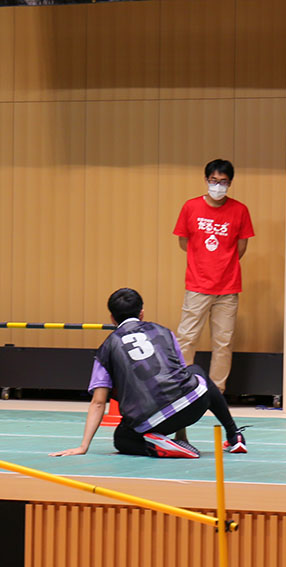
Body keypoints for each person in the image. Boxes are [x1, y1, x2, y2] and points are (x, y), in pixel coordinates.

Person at [50, 288, 248, 459]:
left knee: (122, 439)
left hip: (151, 421)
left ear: (111, 318)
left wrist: (83, 446)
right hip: (193, 406)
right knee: (195, 372)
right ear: (142, 313)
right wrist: (182, 434)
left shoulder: (106, 348)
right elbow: (180, 376)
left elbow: (99, 402)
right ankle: (234, 435)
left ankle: (158, 446)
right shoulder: (164, 331)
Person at [173, 159, 254, 393]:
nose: (218, 186)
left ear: (230, 183)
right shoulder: (191, 207)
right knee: (187, 338)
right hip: (197, 285)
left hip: (228, 287)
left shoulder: (240, 210)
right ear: (206, 180)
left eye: (223, 182)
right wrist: (203, 260)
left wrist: (223, 262)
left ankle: (217, 391)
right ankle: (183, 388)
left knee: (223, 343)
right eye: (214, 181)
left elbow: (241, 247)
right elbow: (183, 242)